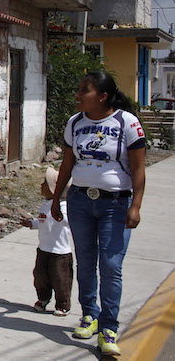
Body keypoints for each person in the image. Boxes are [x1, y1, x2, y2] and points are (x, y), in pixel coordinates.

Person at [51, 71, 146, 357]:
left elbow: (139, 168)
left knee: (111, 265)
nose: (78, 95)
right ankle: (89, 316)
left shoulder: (126, 123)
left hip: (115, 205)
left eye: (85, 90)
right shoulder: (75, 123)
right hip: (80, 201)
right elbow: (66, 165)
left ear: (102, 97)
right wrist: (58, 199)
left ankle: (109, 329)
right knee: (86, 261)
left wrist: (136, 205)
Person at [20, 167, 73, 317]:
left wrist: (61, 218)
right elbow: (44, 221)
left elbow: (69, 223)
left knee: (61, 279)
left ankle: (63, 304)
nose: (41, 185)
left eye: (45, 183)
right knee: (41, 276)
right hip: (43, 249)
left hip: (59, 252)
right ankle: (43, 299)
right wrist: (32, 224)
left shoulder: (64, 207)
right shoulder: (46, 204)